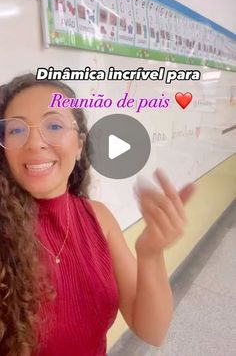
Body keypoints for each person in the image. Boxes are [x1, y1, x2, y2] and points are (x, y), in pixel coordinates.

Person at [0, 74, 196, 356]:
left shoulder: (99, 218)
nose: (34, 143)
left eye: (53, 125)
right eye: (16, 130)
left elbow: (152, 330)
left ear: (79, 145)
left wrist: (151, 254)